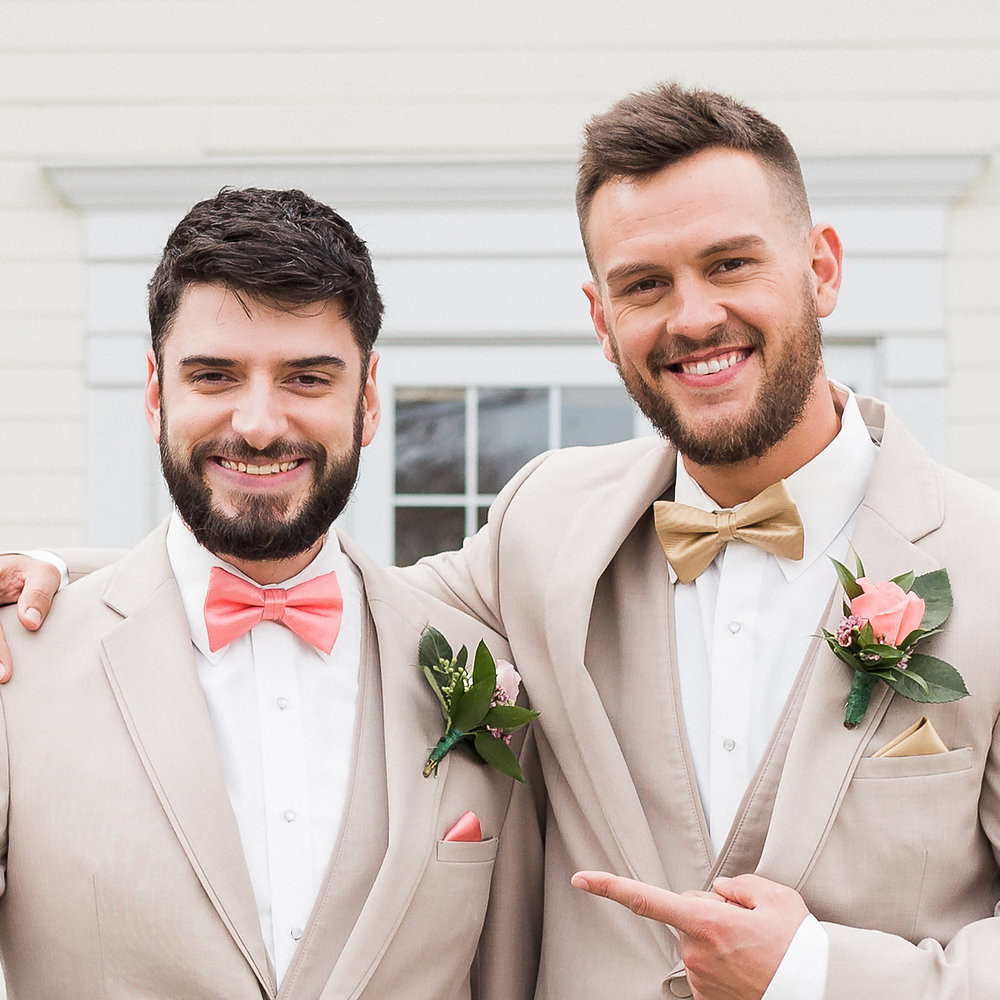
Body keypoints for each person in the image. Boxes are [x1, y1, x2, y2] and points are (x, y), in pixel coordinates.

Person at [4, 83, 1000, 999]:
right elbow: (307, 582)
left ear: (820, 268)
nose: (694, 316)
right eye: (643, 283)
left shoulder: (984, 559)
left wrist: (820, 970)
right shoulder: (548, 526)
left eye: (730, 263)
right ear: (601, 320)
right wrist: (59, 582)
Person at [0, 187, 541, 999]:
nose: (258, 424)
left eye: (306, 378)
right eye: (214, 375)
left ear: (367, 399)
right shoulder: (20, 666)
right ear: (154, 392)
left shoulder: (485, 673)